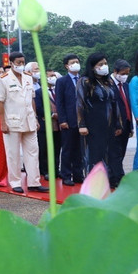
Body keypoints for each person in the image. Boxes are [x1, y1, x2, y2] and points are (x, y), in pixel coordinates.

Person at [0, 54, 46, 193]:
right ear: (11, 63)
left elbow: (32, 99)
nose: (21, 64)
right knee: (13, 154)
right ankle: (15, 182)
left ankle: (34, 182)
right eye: (18, 62)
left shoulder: (28, 77)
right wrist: (2, 122)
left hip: (29, 120)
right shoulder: (3, 79)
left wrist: (35, 117)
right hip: (12, 121)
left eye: (23, 62)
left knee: (33, 152)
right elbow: (0, 102)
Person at [76, 52, 122, 188]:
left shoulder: (109, 81)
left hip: (109, 124)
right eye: (100, 64)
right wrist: (81, 124)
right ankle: (93, 184)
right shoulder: (85, 81)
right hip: (92, 124)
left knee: (110, 153)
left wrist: (118, 124)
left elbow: (115, 103)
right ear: (92, 66)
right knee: (94, 154)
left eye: (105, 63)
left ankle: (110, 180)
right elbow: (80, 104)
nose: (104, 66)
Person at [56, 53, 85, 186]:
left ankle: (78, 174)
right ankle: (66, 175)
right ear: (66, 66)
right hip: (68, 120)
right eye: (72, 62)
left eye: (77, 62)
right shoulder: (62, 81)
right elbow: (60, 102)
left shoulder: (84, 79)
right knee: (67, 150)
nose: (75, 64)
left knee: (79, 150)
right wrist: (62, 120)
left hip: (82, 121)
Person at [109, 59, 134, 188]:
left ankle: (114, 177)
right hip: (114, 126)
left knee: (121, 152)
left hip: (126, 124)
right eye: (123, 73)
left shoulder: (126, 85)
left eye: (127, 73)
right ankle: (118, 178)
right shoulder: (107, 84)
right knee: (115, 154)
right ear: (115, 71)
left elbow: (128, 106)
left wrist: (131, 126)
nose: (125, 76)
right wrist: (115, 125)